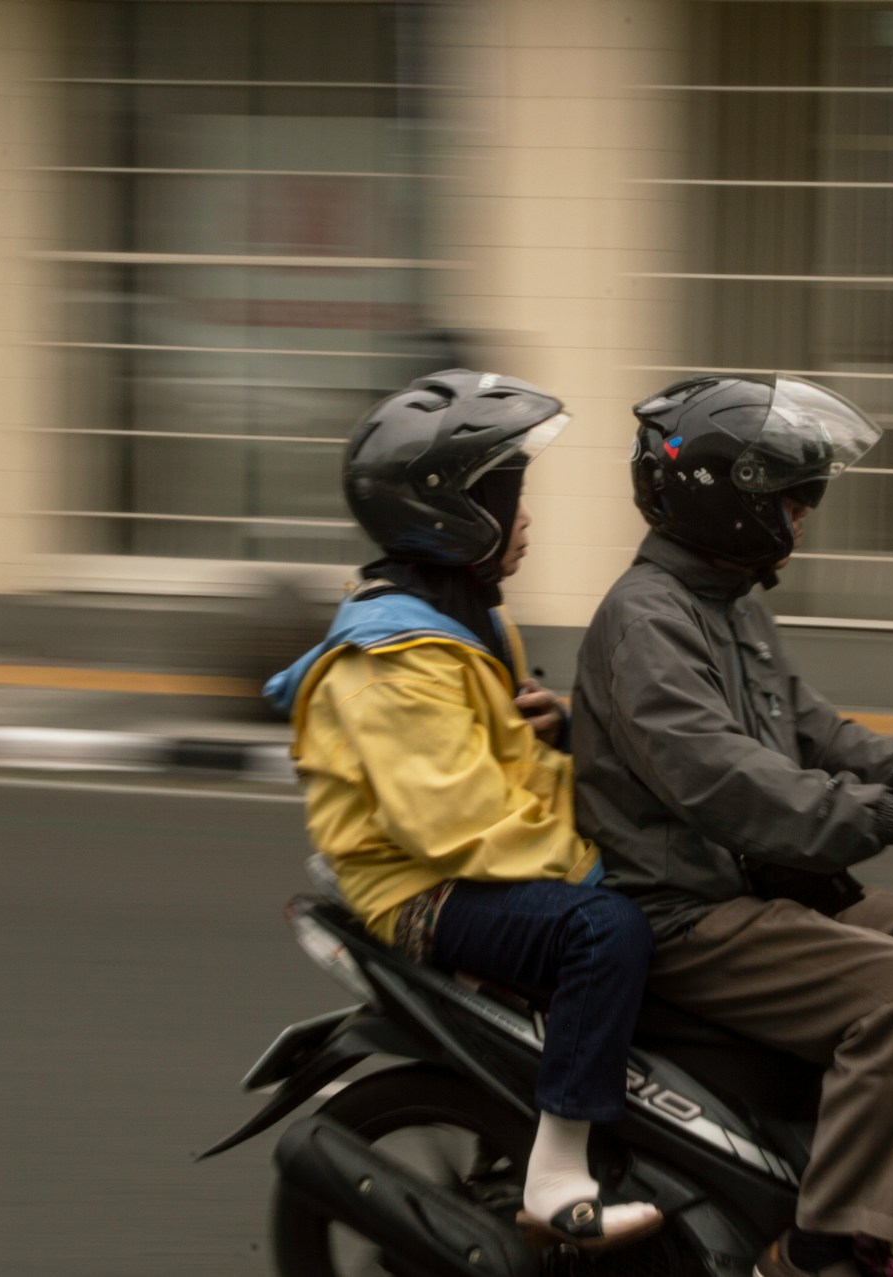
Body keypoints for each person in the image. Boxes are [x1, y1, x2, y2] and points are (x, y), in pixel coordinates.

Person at [569, 373, 893, 1277]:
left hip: (763, 888)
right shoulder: (646, 620)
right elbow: (727, 782)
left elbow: (823, 735)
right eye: (788, 499)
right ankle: (821, 1248)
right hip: (689, 912)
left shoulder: (733, 607)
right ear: (724, 501)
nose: (802, 519)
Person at [264, 369, 661, 1251]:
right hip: (424, 888)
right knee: (608, 929)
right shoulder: (394, 657)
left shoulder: (466, 618)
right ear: (451, 519)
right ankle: (557, 1175)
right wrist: (610, 857)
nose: (525, 520)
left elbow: (513, 758)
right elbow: (463, 824)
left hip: (466, 863)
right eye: (507, 501)